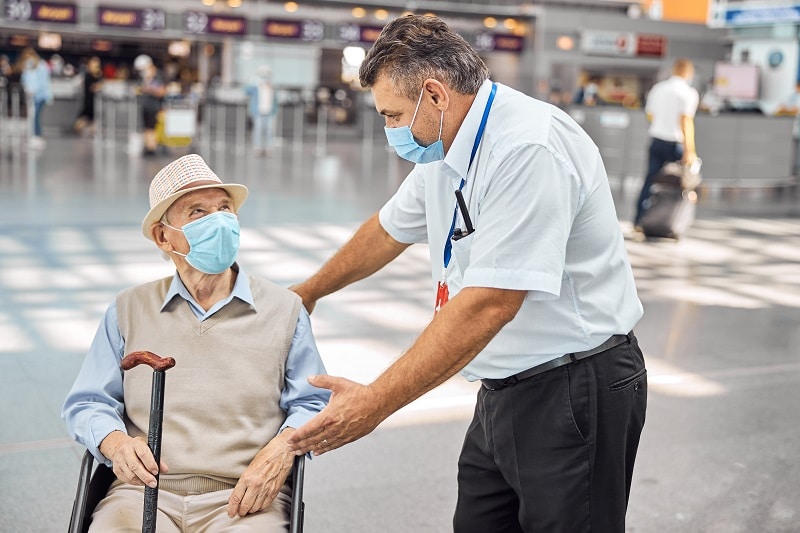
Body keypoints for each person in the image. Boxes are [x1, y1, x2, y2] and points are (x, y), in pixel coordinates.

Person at [286, 14, 647, 533]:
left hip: (574, 387)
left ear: (435, 95)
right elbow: (386, 230)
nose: (390, 130)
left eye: (391, 115)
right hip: (502, 387)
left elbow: (491, 302)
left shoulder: (527, 148)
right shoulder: (446, 143)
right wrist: (308, 293)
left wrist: (373, 404)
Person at [62, 154, 330, 532]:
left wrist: (281, 449)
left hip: (243, 496)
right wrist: (116, 442)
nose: (219, 220)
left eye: (225, 208)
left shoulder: (285, 310)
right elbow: (87, 402)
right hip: (142, 493)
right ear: (163, 236)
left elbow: (312, 401)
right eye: (199, 212)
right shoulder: (129, 309)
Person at [633, 58, 699, 230]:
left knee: (650, 180)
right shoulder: (688, 93)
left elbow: (650, 115)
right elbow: (686, 122)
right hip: (676, 143)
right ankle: (674, 222)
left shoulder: (658, 88)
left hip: (656, 139)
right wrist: (689, 150)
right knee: (686, 183)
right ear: (688, 73)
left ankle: (639, 221)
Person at [18, 47, 53, 150]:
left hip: (40, 96)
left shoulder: (42, 66)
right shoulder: (27, 66)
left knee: (35, 116)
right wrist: (27, 89)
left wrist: (35, 90)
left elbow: (44, 82)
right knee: (31, 117)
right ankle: (33, 137)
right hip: (30, 97)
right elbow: (24, 80)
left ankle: (38, 137)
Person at [133, 54, 165, 157]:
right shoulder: (145, 78)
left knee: (152, 127)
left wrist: (147, 89)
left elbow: (162, 91)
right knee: (147, 127)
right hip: (145, 106)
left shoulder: (158, 76)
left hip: (153, 106)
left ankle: (152, 148)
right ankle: (148, 146)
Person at [246, 65, 279, 157]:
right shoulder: (255, 87)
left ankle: (269, 148)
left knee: (269, 131)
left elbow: (275, 99)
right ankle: (258, 148)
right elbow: (246, 91)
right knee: (258, 130)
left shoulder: (272, 87)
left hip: (269, 112)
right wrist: (252, 82)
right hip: (258, 112)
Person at [73, 56, 104, 136]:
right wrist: (98, 85)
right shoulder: (88, 75)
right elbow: (92, 87)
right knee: (79, 124)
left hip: (96, 103)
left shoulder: (99, 75)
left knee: (93, 125)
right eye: (94, 62)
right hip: (88, 103)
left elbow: (101, 85)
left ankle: (92, 139)